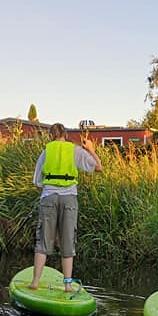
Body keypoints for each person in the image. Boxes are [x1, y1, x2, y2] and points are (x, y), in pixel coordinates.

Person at [27, 122, 102, 292]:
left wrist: (48, 186)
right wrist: (90, 149)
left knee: (43, 241)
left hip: (49, 198)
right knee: (68, 241)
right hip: (69, 200)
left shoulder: (46, 151)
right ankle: (67, 285)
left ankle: (35, 282)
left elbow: (37, 180)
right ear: (66, 135)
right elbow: (98, 167)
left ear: (50, 136)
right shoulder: (74, 150)